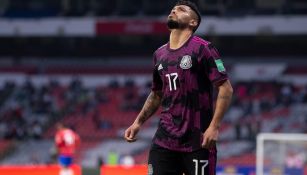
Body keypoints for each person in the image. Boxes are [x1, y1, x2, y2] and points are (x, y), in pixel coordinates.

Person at [124, 1, 233, 175]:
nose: (174, 10)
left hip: (198, 140)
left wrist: (214, 127)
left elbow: (225, 88)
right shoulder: (159, 54)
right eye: (173, 9)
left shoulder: (203, 48)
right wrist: (138, 123)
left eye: (181, 10)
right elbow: (156, 94)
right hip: (164, 140)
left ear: (193, 22)